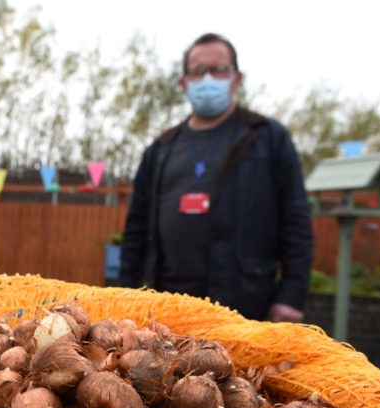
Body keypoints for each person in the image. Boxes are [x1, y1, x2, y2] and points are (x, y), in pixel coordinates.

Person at [119, 33, 312, 322]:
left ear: (236, 79)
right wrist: (126, 295)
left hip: (244, 305)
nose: (208, 78)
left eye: (219, 69)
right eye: (198, 71)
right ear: (184, 83)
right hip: (164, 310)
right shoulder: (161, 149)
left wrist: (291, 297)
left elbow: (296, 222)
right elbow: (135, 231)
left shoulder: (268, 138)